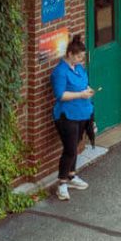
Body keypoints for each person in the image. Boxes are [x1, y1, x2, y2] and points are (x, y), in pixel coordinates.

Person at [50, 35, 94, 201]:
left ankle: (71, 176)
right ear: (69, 54)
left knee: (75, 145)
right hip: (66, 115)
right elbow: (60, 95)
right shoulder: (60, 72)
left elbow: (83, 84)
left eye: (82, 57)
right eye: (78, 57)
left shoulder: (79, 68)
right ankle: (61, 183)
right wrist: (81, 94)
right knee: (69, 149)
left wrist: (87, 90)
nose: (81, 60)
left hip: (82, 112)